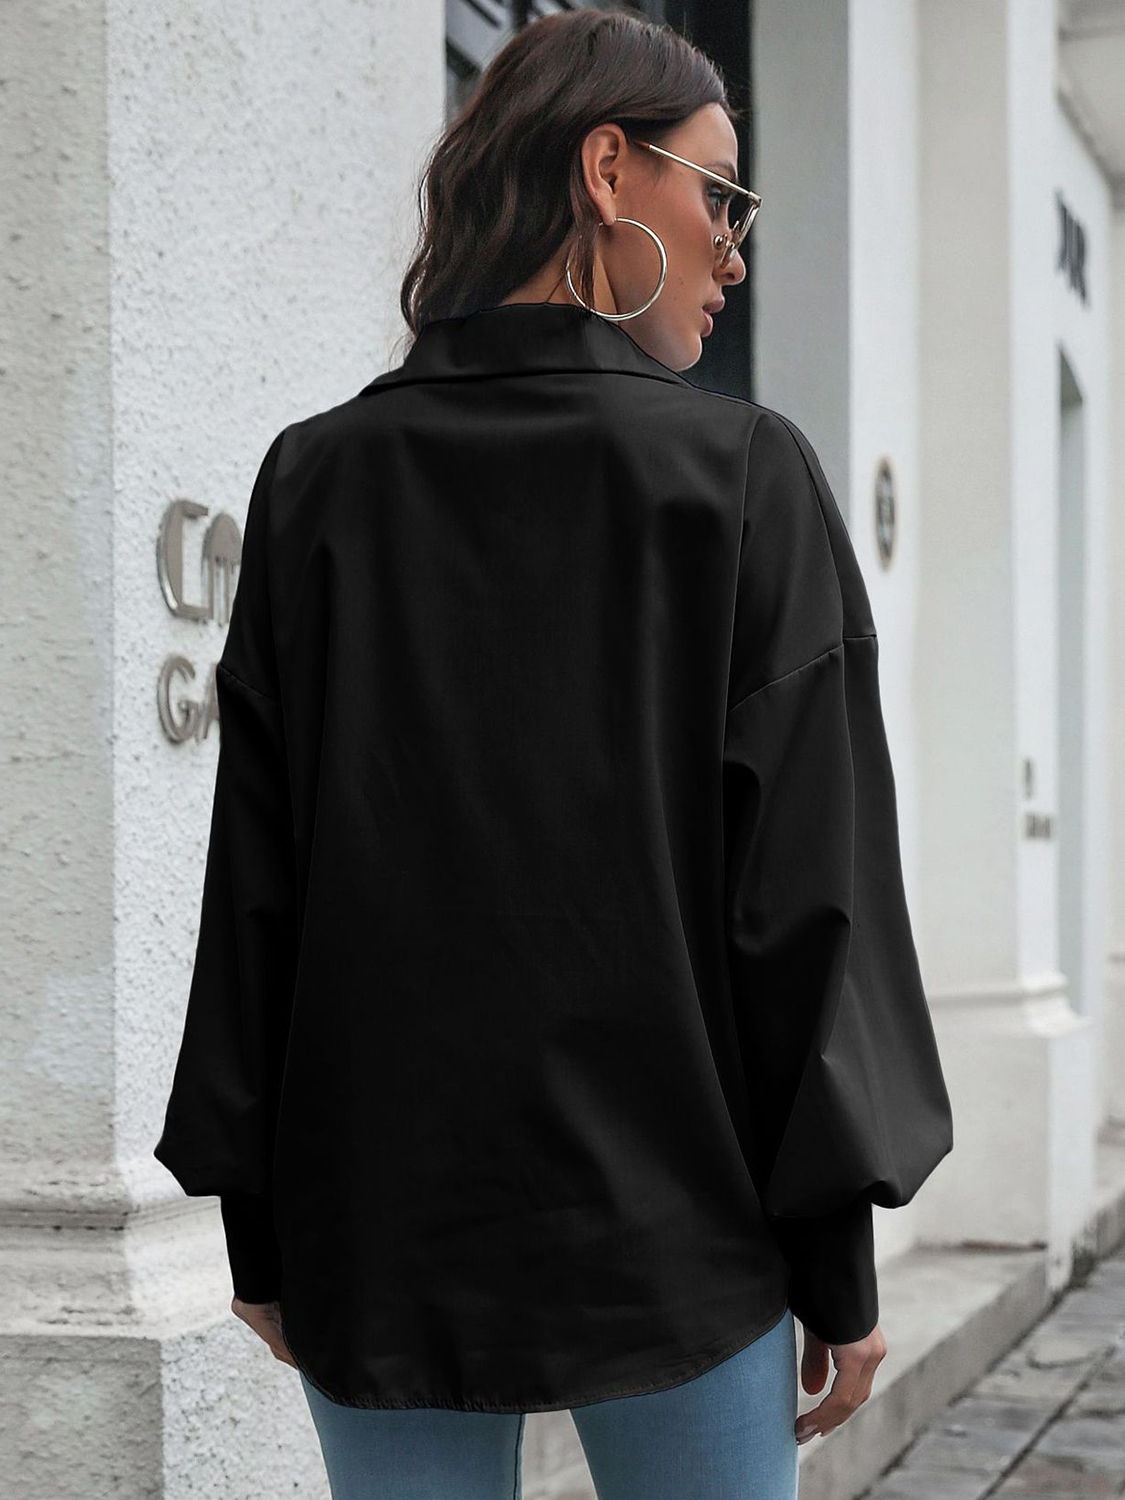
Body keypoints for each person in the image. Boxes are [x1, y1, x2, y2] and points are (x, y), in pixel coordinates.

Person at [153, 9, 954, 1498]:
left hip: (376, 1222)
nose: (734, 248)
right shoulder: (743, 478)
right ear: (606, 170)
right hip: (684, 1233)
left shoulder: (317, 480)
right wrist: (833, 1263)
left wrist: (260, 1225)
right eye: (721, 192)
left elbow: (260, 878)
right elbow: (802, 907)